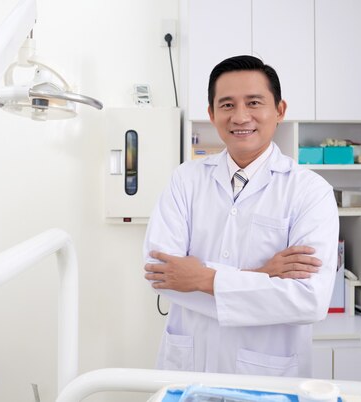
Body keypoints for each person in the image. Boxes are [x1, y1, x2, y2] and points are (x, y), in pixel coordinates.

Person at [143, 55, 339, 377]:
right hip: (189, 369)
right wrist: (263, 273)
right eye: (227, 105)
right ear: (211, 114)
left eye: (254, 102)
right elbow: (160, 274)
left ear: (279, 110)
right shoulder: (186, 179)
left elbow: (309, 300)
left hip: (266, 376)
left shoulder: (310, 191)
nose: (240, 116)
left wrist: (204, 279)